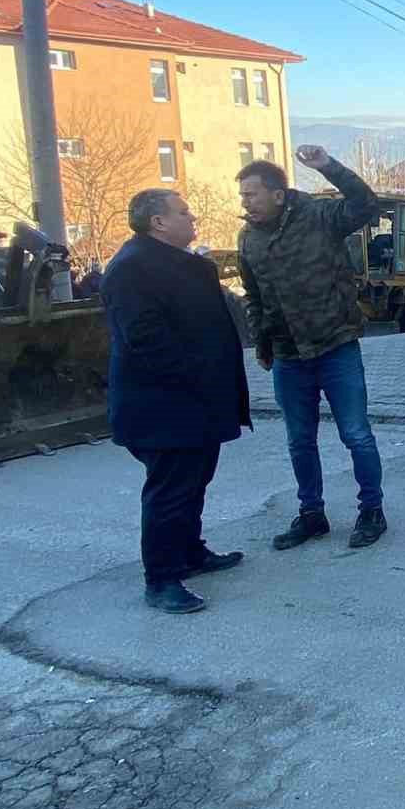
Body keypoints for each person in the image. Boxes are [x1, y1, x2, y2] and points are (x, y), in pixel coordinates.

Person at [102, 189, 250, 614]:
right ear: (158, 223)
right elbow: (146, 339)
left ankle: (190, 551)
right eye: (183, 213)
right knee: (169, 491)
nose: (192, 218)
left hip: (197, 402)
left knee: (194, 482)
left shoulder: (184, 264)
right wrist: (199, 374)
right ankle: (162, 578)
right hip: (162, 406)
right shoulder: (132, 269)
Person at [236, 147, 388, 551]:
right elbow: (253, 295)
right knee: (299, 440)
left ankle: (371, 510)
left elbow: (365, 204)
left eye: (251, 194)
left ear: (278, 194)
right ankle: (311, 514)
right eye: (243, 196)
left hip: (336, 344)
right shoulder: (248, 238)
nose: (245, 202)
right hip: (288, 355)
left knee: (356, 435)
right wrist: (261, 340)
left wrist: (326, 166)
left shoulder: (320, 216)